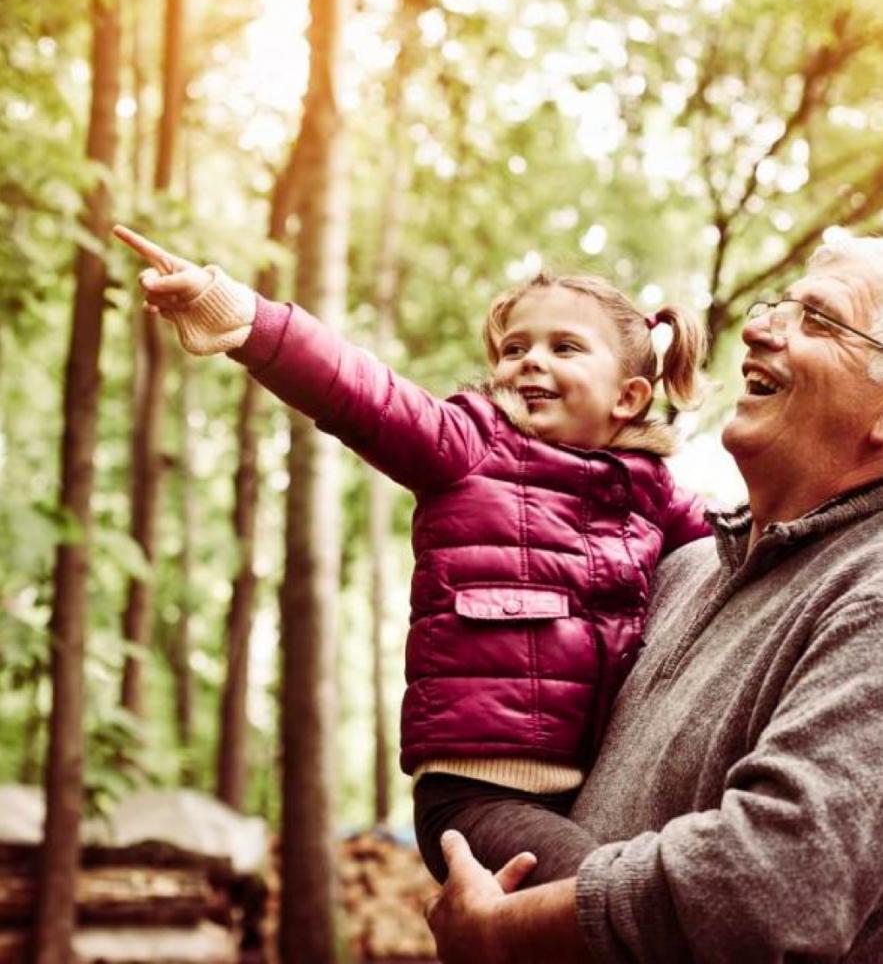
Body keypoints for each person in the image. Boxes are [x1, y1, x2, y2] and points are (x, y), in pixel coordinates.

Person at [112, 223, 709, 885]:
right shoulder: (470, 446)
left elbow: (736, 552)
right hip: (478, 794)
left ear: (627, 397)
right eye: (515, 348)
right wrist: (237, 315)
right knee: (610, 897)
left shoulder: (651, 494)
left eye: (564, 347)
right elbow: (360, 391)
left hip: (594, 785)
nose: (530, 361)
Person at [423, 230, 883, 962]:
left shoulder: (870, 592)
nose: (760, 327)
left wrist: (505, 932)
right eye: (778, 306)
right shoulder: (680, 567)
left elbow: (771, 885)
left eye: (818, 319)